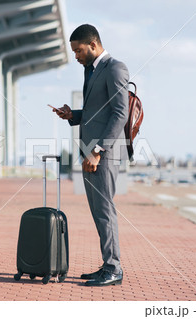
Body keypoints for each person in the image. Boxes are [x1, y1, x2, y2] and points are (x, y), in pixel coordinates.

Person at [53, 24, 129, 286]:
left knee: (105, 210)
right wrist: (73, 115)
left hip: (103, 154)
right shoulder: (92, 70)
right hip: (91, 152)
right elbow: (99, 112)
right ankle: (108, 264)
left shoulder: (115, 68)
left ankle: (114, 268)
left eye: (78, 50)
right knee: (98, 211)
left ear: (93, 45)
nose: (75, 56)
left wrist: (97, 151)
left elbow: (120, 113)